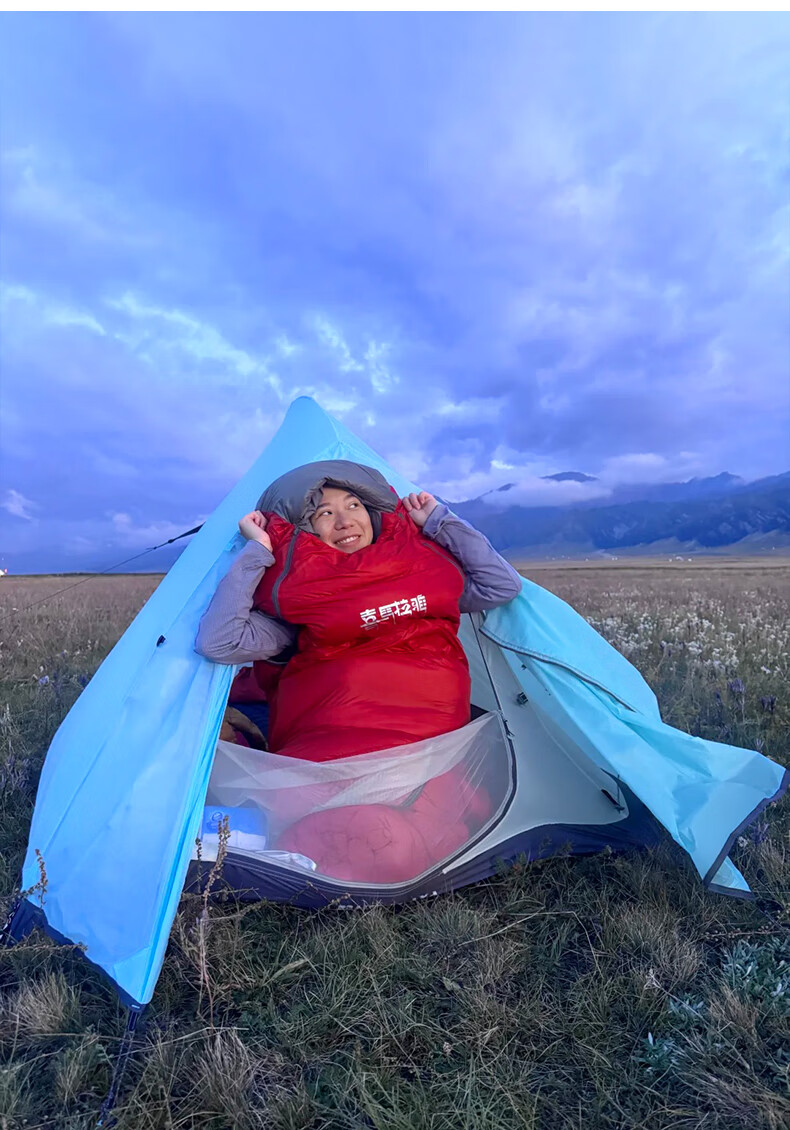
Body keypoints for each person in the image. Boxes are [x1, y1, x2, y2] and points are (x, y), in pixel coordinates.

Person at [196, 462, 522, 882]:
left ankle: (358, 838)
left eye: (354, 505)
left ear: (373, 514)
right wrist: (259, 550)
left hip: (424, 756)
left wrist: (439, 522)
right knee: (385, 833)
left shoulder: (425, 584)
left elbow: (501, 585)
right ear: (306, 533)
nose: (345, 520)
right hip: (336, 761)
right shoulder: (300, 614)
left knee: (397, 831)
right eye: (325, 513)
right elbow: (219, 642)